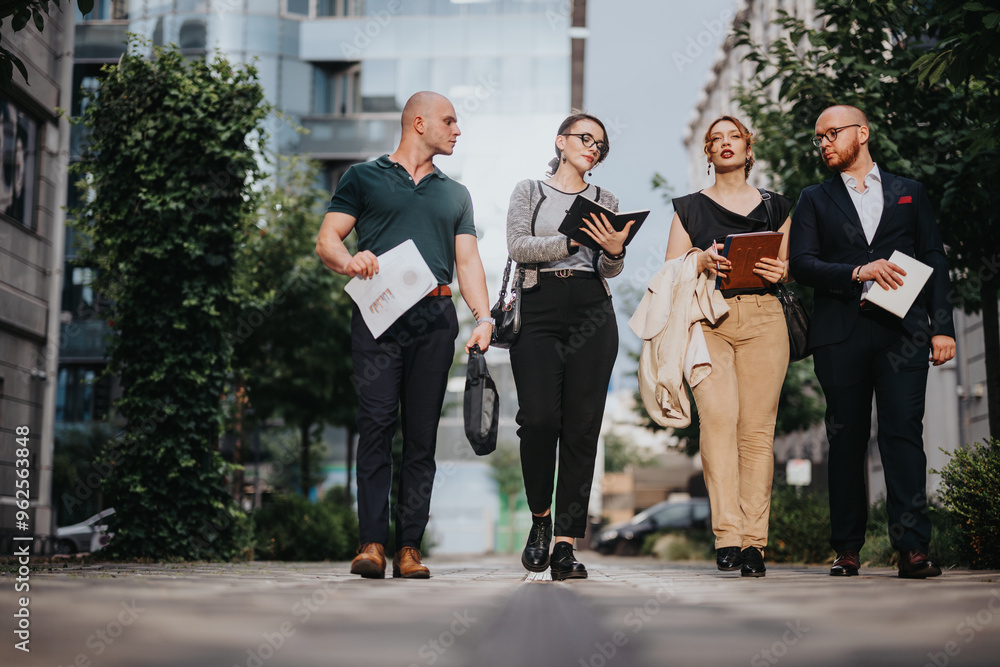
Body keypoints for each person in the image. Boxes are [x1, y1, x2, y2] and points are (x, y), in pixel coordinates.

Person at [315, 91, 493, 579]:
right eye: (450, 121)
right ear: (419, 123)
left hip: (435, 317)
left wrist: (483, 317)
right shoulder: (363, 177)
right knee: (375, 425)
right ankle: (371, 544)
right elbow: (327, 239)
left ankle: (409, 547)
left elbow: (468, 261)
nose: (457, 130)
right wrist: (349, 260)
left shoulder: (455, 194)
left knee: (421, 436)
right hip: (378, 313)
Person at [790, 104, 955, 579]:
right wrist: (857, 272)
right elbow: (802, 264)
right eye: (818, 137)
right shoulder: (813, 199)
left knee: (903, 434)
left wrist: (941, 326)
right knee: (846, 441)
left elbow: (934, 259)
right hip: (840, 334)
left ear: (862, 133)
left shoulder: (910, 192)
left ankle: (913, 549)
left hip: (903, 332)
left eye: (832, 133)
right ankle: (846, 548)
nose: (823, 143)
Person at [663, 116, 793, 577]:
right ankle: (728, 537)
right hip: (708, 319)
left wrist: (783, 271)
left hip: (764, 319)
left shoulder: (778, 205)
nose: (724, 144)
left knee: (757, 432)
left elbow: (787, 264)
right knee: (718, 421)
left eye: (732, 137)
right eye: (715, 139)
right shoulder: (689, 208)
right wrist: (700, 258)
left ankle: (755, 543)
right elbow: (671, 268)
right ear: (708, 153)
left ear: (747, 147)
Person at [507, 113, 632, 580]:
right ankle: (540, 519)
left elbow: (608, 270)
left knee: (582, 429)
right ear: (561, 142)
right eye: (585, 138)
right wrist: (569, 240)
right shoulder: (529, 191)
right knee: (538, 420)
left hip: (591, 309)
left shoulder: (605, 199)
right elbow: (518, 247)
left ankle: (564, 543)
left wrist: (615, 250)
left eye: (600, 144)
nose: (593, 147)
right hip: (538, 308)